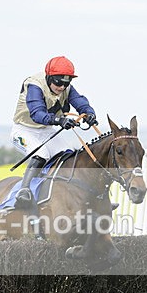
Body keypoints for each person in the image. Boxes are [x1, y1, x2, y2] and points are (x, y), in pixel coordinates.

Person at [11, 56, 98, 208]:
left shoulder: (66, 88)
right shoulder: (34, 85)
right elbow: (37, 113)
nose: (62, 87)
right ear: (49, 76)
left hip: (46, 130)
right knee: (42, 154)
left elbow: (79, 101)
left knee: (68, 154)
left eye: (66, 83)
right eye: (58, 82)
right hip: (24, 130)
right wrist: (59, 121)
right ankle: (24, 190)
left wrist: (89, 113)